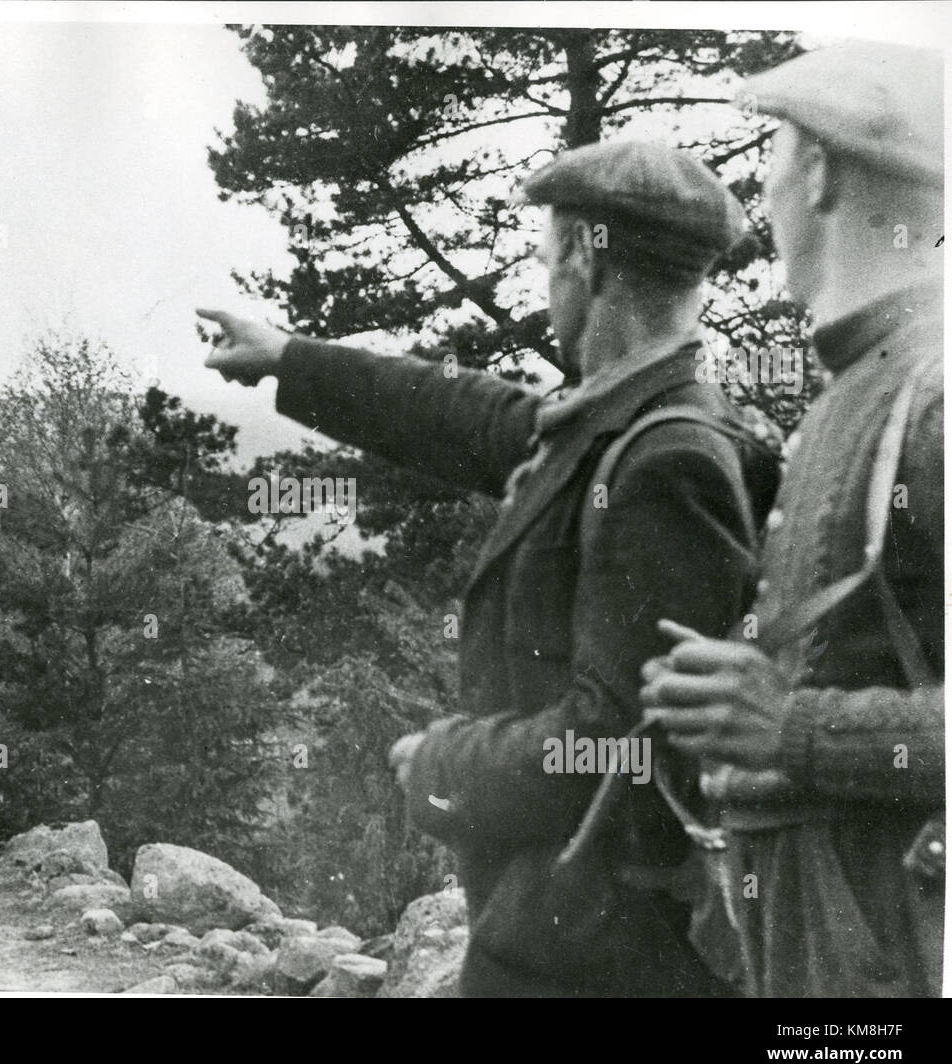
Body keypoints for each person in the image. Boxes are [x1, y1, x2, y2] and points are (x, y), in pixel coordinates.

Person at [200, 139, 776, 996]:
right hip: (572, 934)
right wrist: (291, 357)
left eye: (547, 258)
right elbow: (463, 413)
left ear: (585, 258)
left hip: (604, 960)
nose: (547, 281)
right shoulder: (621, 423)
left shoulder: (667, 462)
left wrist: (445, 764)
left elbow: (612, 744)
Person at [640, 41, 944, 997]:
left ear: (816, 173)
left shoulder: (932, 396)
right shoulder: (867, 382)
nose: (764, 193)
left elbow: (804, 722)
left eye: (774, 156)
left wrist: (792, 726)